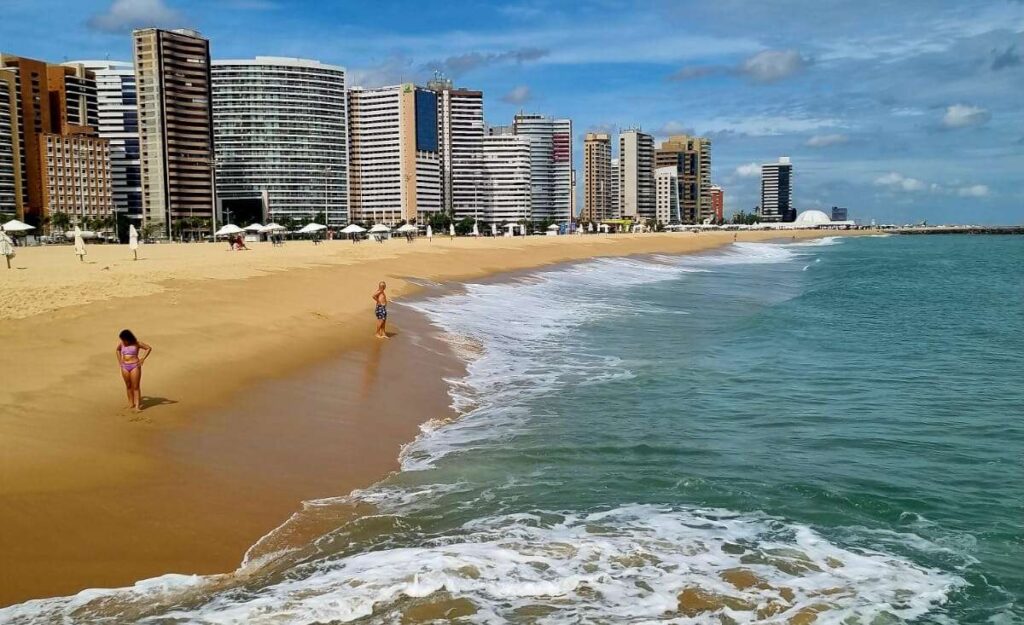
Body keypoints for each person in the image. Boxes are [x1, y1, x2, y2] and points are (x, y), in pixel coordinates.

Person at [116, 329, 151, 411]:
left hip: (134, 366)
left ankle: (137, 406)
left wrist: (143, 358)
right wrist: (120, 360)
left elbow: (148, 348)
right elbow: (117, 350)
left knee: (135, 386)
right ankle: (131, 403)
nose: (123, 341)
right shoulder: (122, 344)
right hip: (124, 366)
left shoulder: (137, 343)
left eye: (124, 339)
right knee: (128, 386)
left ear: (129, 338)